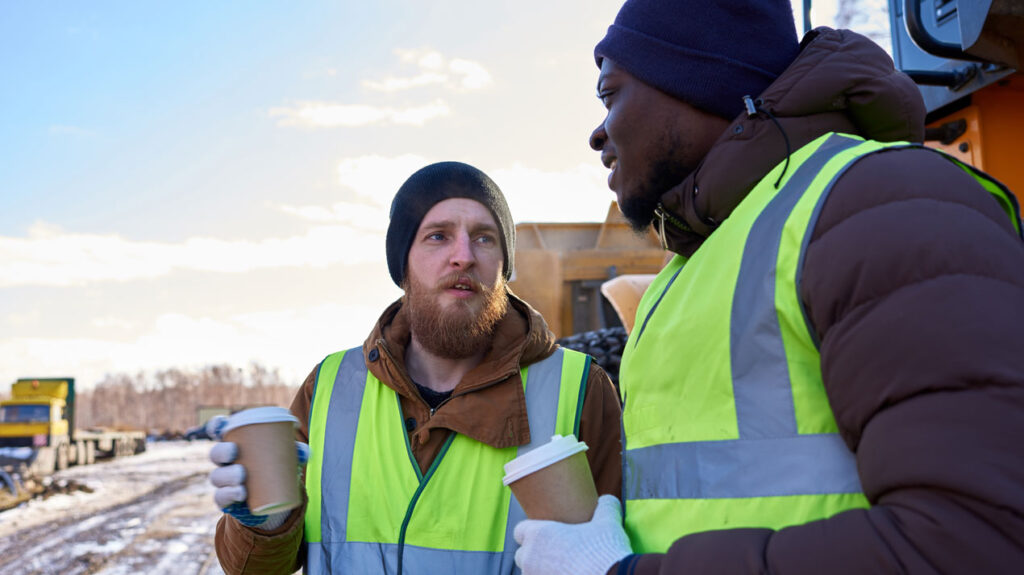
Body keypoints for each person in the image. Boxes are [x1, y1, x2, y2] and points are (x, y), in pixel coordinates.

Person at [512, 1, 1024, 574]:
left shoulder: (880, 202)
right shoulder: (686, 272)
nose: (597, 133)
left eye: (610, 94)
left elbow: (977, 541)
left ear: (697, 82)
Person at [208, 161, 622, 574]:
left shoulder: (580, 389)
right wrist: (268, 524)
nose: (463, 256)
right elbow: (255, 569)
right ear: (402, 264)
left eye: (484, 238)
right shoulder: (329, 387)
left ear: (503, 266)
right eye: (438, 236)